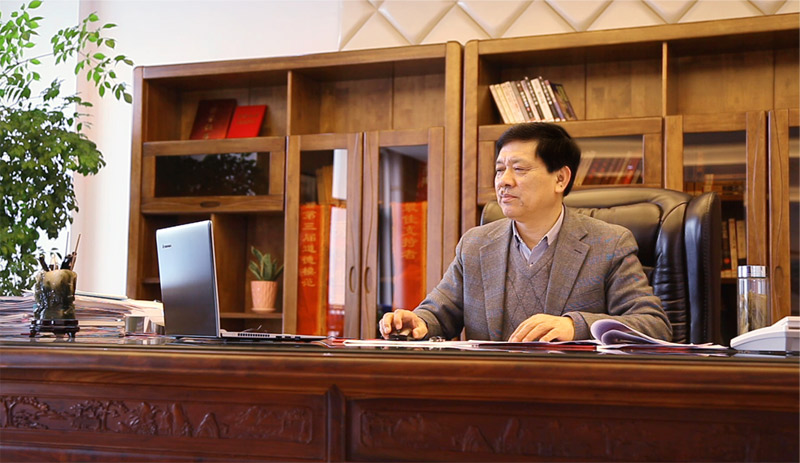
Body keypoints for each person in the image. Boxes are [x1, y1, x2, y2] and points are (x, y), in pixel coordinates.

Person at [379, 122, 672, 342]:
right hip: (490, 391)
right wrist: (417, 321)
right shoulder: (476, 244)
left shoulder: (608, 243)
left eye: (519, 169)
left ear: (560, 178)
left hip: (573, 394)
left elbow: (654, 325)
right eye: (499, 170)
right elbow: (439, 312)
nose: (503, 181)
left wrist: (575, 326)